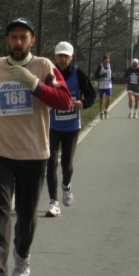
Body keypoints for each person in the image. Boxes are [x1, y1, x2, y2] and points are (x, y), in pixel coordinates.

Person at [0, 18, 71, 276]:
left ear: (32, 41)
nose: (18, 42)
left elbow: (65, 101)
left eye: (23, 37)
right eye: (13, 37)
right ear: (7, 40)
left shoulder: (44, 67)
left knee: (28, 216)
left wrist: (34, 84)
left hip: (33, 154)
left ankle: (22, 254)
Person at [45, 41, 96, 217]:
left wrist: (84, 103)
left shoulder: (78, 73)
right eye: (60, 55)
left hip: (72, 126)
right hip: (52, 126)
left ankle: (66, 186)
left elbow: (91, 94)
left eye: (66, 56)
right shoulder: (49, 74)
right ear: (55, 56)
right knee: (51, 162)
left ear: (71, 57)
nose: (63, 59)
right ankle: (54, 202)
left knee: (66, 165)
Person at [94, 55, 113, 119]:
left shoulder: (111, 66)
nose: (107, 60)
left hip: (108, 85)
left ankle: (106, 110)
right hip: (101, 85)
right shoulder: (100, 66)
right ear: (103, 60)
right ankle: (101, 112)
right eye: (106, 59)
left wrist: (112, 78)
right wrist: (101, 76)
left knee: (109, 99)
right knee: (102, 99)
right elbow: (96, 75)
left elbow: (111, 74)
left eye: (108, 59)